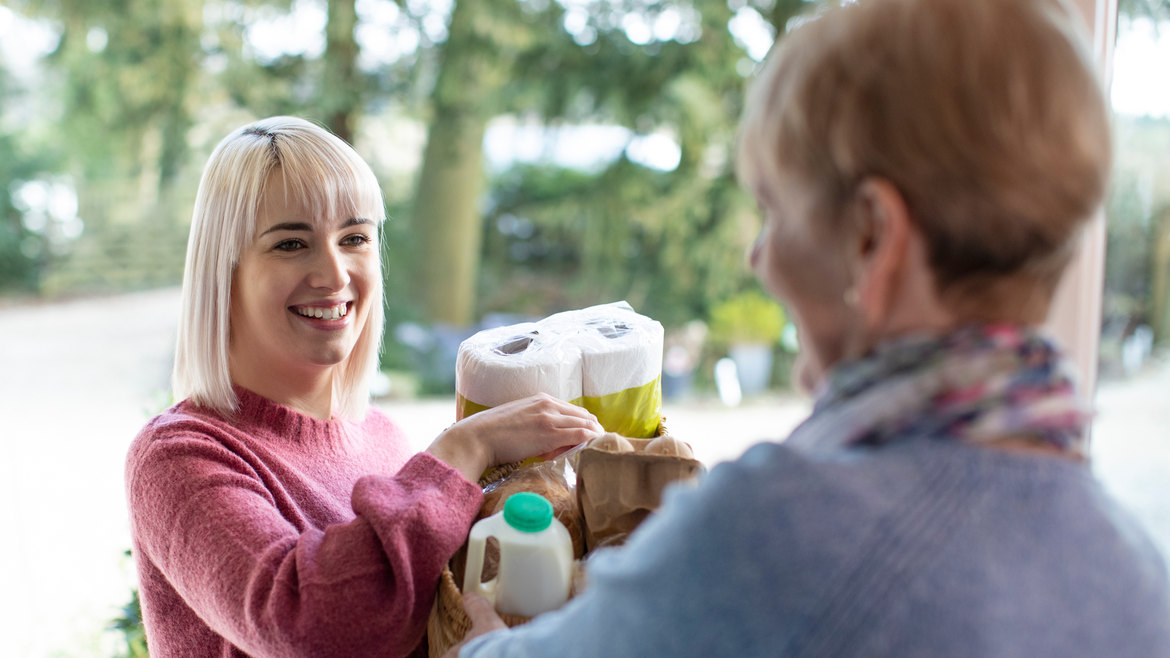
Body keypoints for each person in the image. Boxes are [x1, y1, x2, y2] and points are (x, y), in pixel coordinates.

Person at [452, 0, 1170, 656]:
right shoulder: (1139, 574)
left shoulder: (778, 529)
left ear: (870, 237)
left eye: (774, 213)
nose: (760, 259)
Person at [124, 116, 604, 658]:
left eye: (354, 237)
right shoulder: (178, 457)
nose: (333, 274)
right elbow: (311, 630)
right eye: (290, 244)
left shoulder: (382, 438)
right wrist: (465, 449)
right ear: (225, 271)